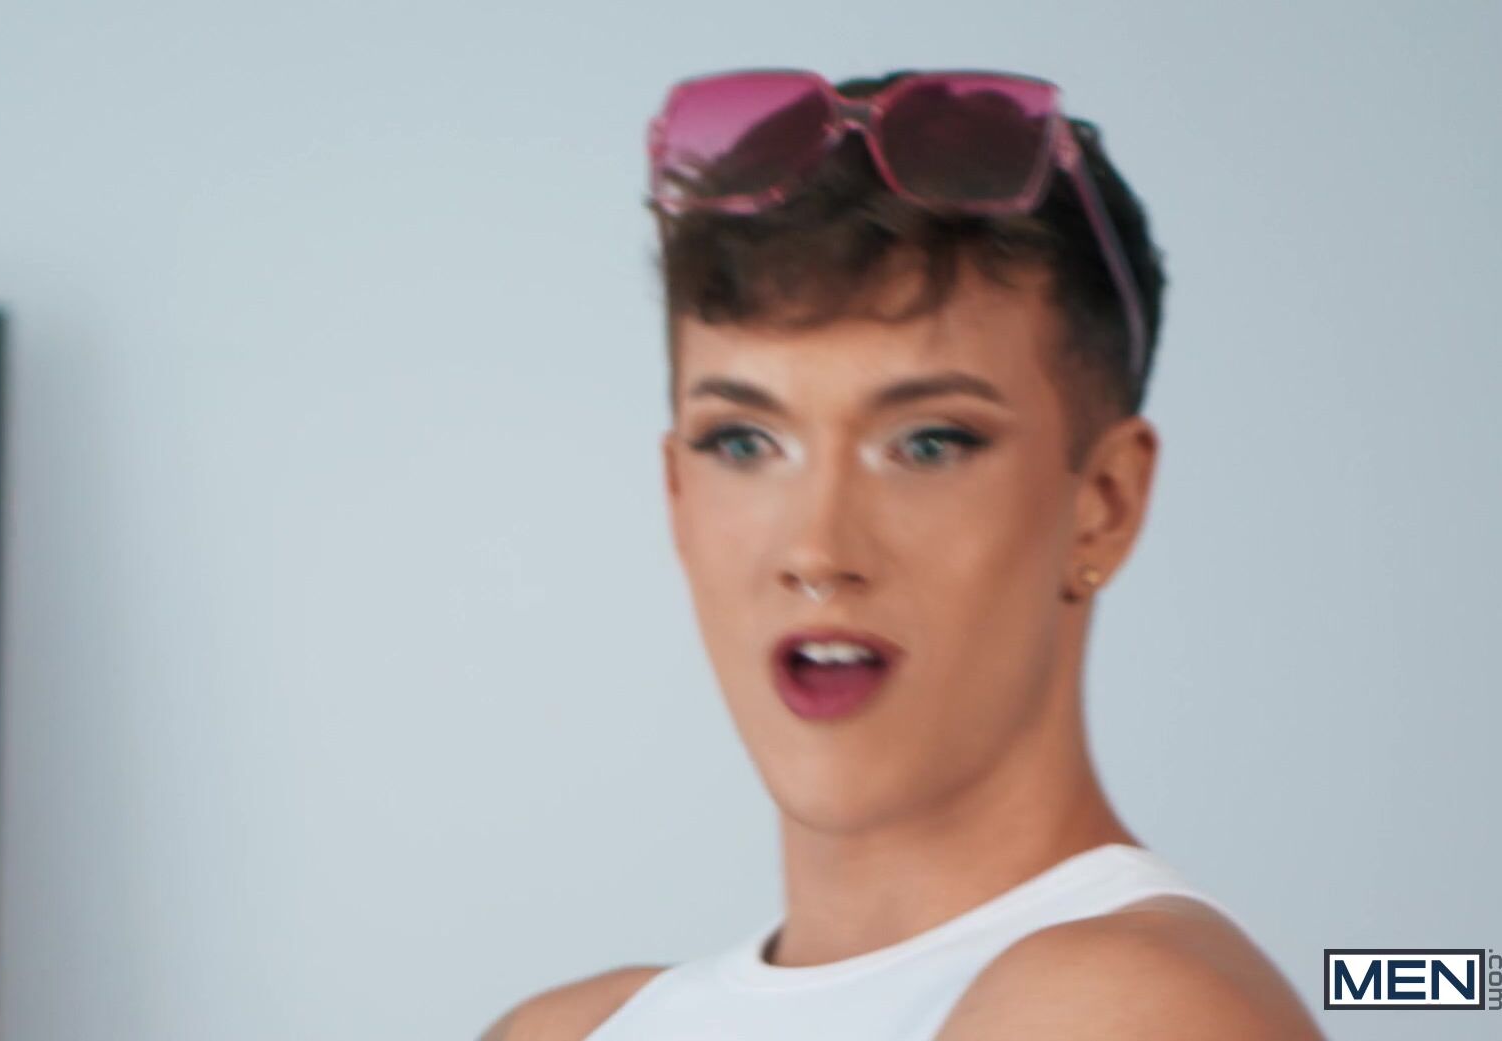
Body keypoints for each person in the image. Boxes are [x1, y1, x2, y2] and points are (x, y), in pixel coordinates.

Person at [479, 68, 1324, 1040]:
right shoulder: (568, 1028)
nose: (816, 550)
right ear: (676, 496)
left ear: (1104, 505)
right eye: (744, 442)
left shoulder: (1126, 1006)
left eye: (927, 443)